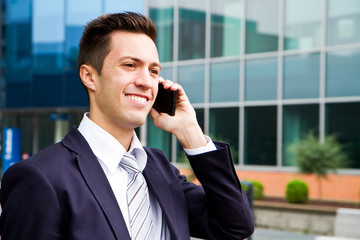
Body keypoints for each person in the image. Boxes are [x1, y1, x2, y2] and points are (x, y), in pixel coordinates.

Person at [0, 12, 254, 240]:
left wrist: (190, 133)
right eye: (130, 65)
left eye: (154, 71)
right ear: (89, 76)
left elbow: (235, 226)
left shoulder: (160, 168)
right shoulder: (41, 177)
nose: (146, 81)